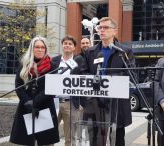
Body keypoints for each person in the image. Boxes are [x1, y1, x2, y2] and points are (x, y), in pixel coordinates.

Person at [83, 17, 135, 146]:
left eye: (105, 27)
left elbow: (131, 75)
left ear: (114, 31)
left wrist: (107, 81)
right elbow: (83, 73)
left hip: (116, 104)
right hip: (95, 103)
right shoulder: (91, 51)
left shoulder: (124, 51)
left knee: (117, 141)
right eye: (99, 27)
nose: (101, 30)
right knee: (95, 141)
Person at [10, 36, 59, 146]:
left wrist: (35, 102)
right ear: (32, 48)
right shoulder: (24, 64)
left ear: (46, 49)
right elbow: (18, 85)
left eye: (43, 47)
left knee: (45, 143)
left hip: (45, 108)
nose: (40, 49)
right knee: (26, 142)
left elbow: (51, 89)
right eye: (37, 47)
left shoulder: (53, 66)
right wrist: (27, 102)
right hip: (26, 108)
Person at [52, 35, 84, 146]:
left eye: (70, 44)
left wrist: (81, 103)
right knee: (48, 134)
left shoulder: (79, 62)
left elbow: (83, 82)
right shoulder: (54, 61)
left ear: (74, 47)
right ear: (62, 45)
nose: (67, 45)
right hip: (53, 102)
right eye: (65, 43)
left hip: (70, 103)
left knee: (70, 138)